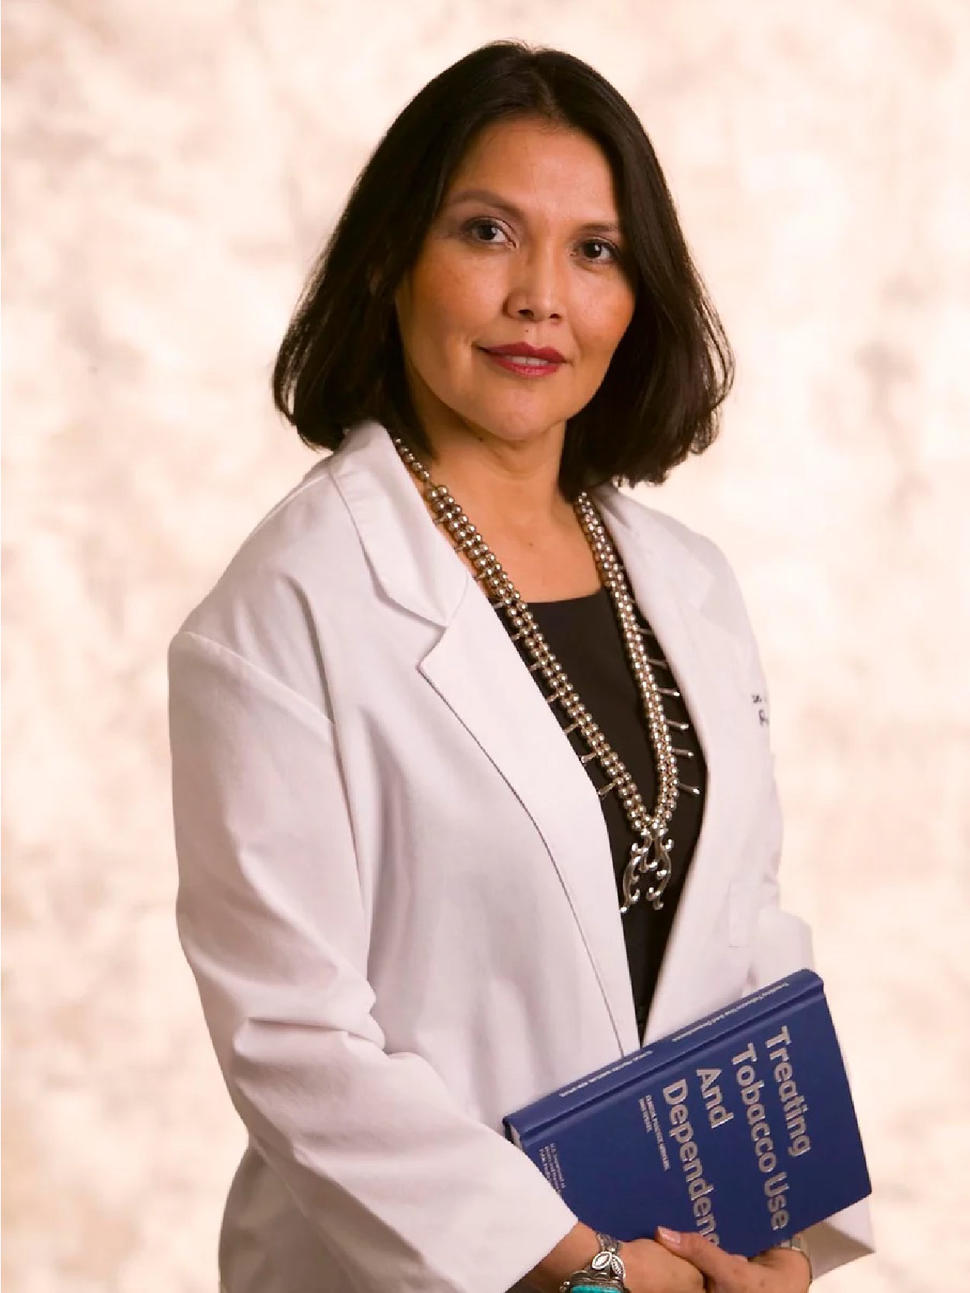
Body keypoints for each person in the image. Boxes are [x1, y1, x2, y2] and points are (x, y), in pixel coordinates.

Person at [167, 41, 872, 1293]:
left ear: (637, 292)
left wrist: (785, 1243)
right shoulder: (286, 610)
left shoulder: (689, 581)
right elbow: (292, 1041)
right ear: (392, 259)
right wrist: (581, 1271)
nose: (541, 296)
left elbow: (739, 932)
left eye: (594, 249)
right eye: (488, 233)